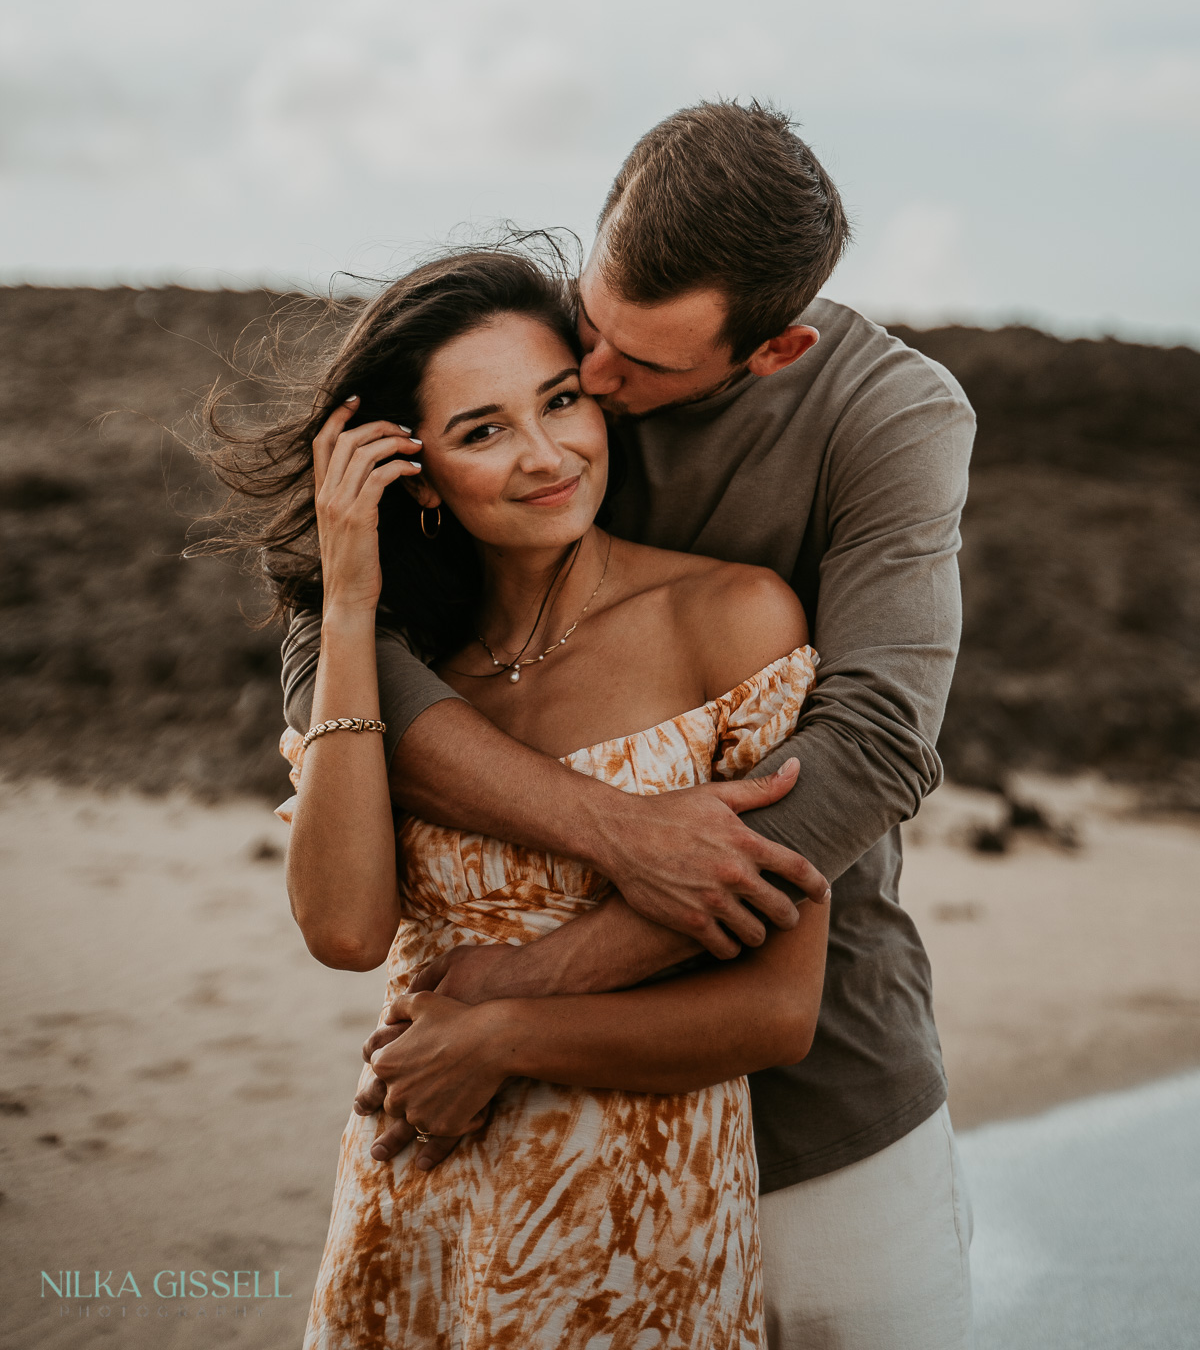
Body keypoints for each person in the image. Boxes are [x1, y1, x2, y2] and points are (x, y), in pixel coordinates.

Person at [283, 101, 978, 1350]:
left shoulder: (887, 418)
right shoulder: (538, 345)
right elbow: (334, 641)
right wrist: (620, 829)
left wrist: (524, 991)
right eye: (589, 326)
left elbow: (873, 744)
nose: (587, 386)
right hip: (481, 1137)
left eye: (630, 372)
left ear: (772, 353)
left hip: (817, 1110)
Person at [214, 242, 833, 1348]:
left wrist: (501, 1037)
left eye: (560, 402)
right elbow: (347, 931)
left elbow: (775, 1015)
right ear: (417, 472)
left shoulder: (730, 621)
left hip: (643, 1240)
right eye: (483, 429)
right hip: (415, 1218)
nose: (549, 456)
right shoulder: (408, 672)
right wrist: (349, 605)